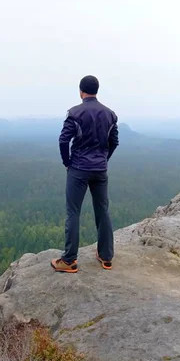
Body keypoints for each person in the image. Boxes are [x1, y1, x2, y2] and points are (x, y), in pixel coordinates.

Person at [51, 75, 119, 273]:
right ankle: (106, 257)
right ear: (97, 90)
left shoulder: (75, 113)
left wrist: (67, 163)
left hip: (78, 169)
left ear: (81, 91)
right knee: (103, 210)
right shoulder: (110, 115)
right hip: (100, 170)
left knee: (73, 212)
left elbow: (63, 140)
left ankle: (70, 260)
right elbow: (114, 142)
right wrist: (103, 159)